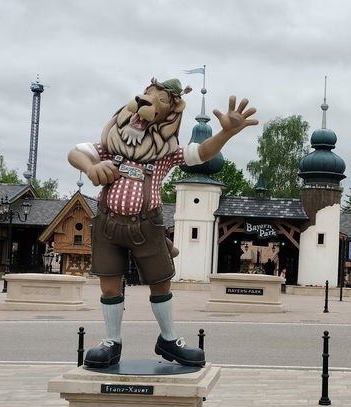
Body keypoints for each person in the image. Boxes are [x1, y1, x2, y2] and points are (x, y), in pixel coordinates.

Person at [68, 78, 257, 368]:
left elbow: (202, 153)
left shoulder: (166, 153)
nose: (146, 100)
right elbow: (75, 153)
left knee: (161, 283)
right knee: (109, 286)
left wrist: (225, 134)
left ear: (171, 114)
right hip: (108, 226)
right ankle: (112, 342)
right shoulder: (110, 147)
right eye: (147, 94)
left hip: (147, 226)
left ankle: (168, 339)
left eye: (161, 99)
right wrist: (91, 166)